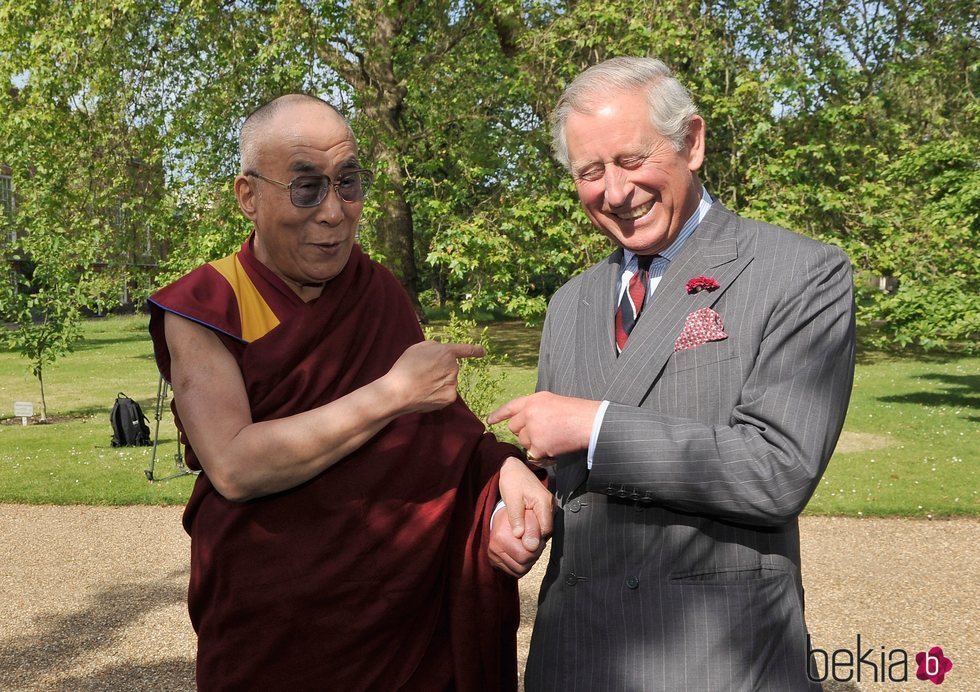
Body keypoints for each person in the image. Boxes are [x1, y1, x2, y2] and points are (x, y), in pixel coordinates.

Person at [147, 93, 551, 691]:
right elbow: (234, 465)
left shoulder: (375, 290)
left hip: (399, 612)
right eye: (306, 187)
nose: (334, 212)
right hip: (275, 627)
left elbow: (437, 425)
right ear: (248, 197)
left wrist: (502, 473)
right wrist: (391, 392)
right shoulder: (208, 306)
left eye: (349, 183)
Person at [488, 57, 856, 691]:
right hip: (574, 657)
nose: (615, 191)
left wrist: (595, 425)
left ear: (693, 142)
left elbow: (778, 469)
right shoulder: (570, 303)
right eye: (589, 172)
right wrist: (519, 494)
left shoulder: (800, 273)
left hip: (716, 658)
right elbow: (562, 466)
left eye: (631, 161)